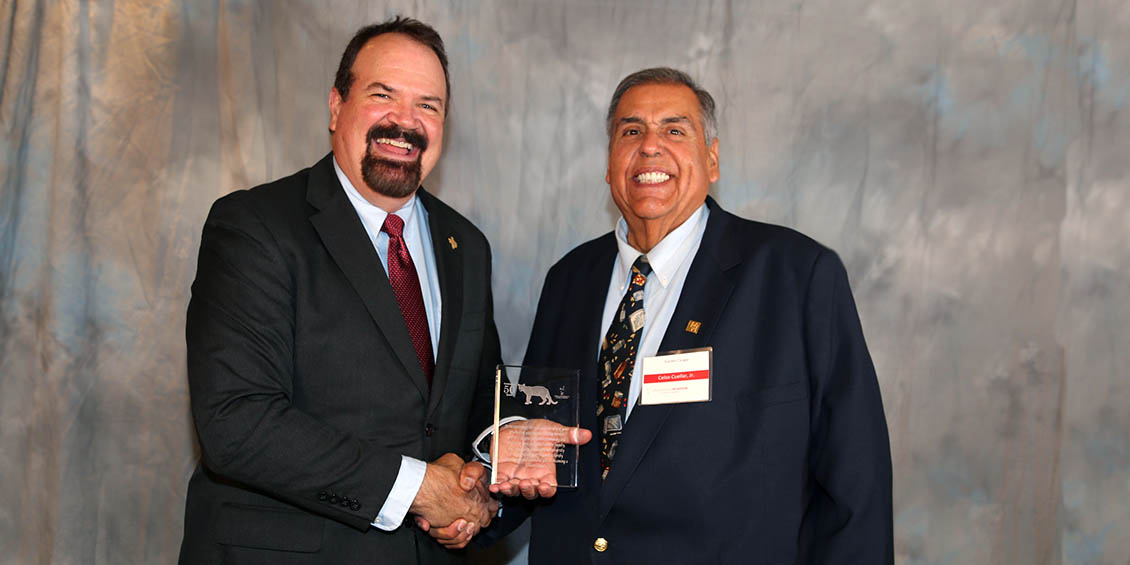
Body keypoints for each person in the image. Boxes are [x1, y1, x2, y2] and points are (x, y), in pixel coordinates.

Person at [435, 67, 894, 563]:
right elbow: (550, 447)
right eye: (631, 131)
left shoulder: (797, 275)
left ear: (711, 160)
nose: (650, 146)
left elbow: (857, 480)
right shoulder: (570, 278)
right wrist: (482, 506)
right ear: (610, 165)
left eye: (675, 130)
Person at [179, 17, 501, 564]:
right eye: (383, 95)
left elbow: (476, 411)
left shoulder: (466, 246)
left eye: (429, 105)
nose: (406, 122)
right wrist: (423, 489)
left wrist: (481, 489)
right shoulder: (255, 226)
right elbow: (236, 422)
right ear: (336, 106)